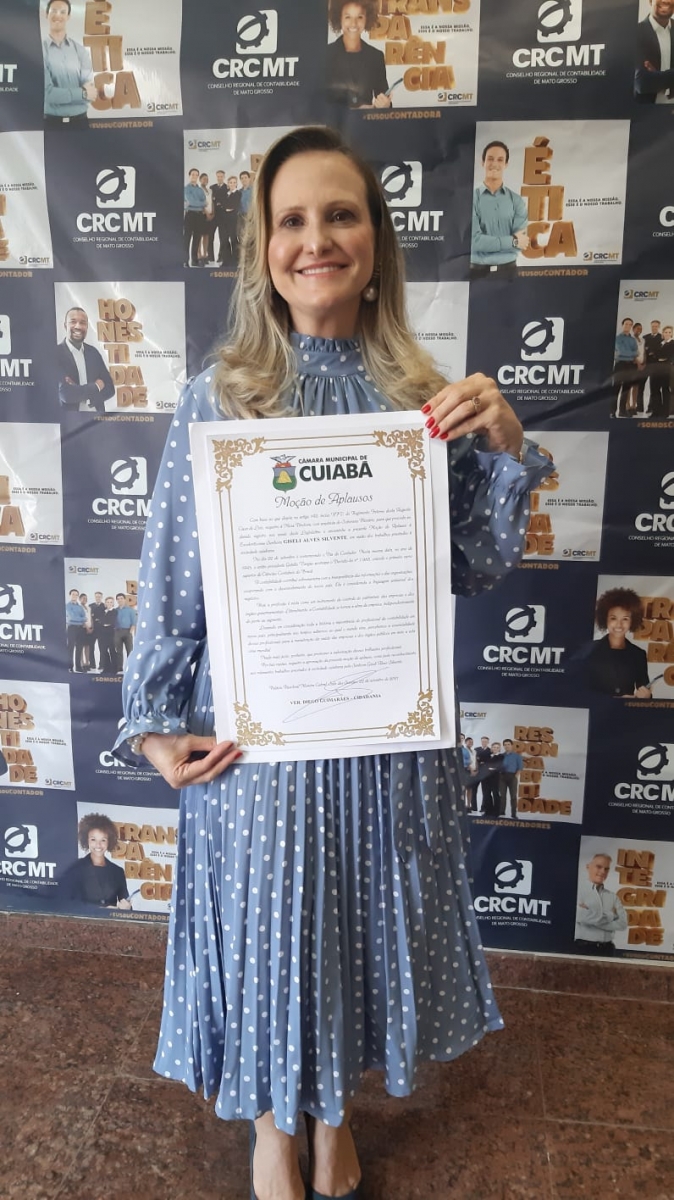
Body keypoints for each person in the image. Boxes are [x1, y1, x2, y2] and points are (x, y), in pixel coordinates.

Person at [113, 126, 554, 1200]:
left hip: (378, 732)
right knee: (272, 927)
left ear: (376, 240)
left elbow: (472, 564)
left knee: (356, 922)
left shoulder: (423, 400)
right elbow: (173, 577)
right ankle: (274, 1124)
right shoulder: (218, 396)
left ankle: (334, 1116)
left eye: (341, 215)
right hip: (257, 738)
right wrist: (155, 724)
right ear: (263, 248)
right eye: (293, 220)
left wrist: (503, 447)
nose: (317, 240)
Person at [470, 141, 529, 280]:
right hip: (476, 272)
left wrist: (515, 242)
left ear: (506, 164)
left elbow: (521, 242)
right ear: (483, 162)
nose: (494, 163)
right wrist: (512, 241)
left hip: (509, 271)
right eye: (490, 159)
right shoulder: (471, 199)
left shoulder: (516, 201)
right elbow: (474, 242)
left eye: (500, 160)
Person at [587, 587, 652, 698]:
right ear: (605, 619)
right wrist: (614, 699)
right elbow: (580, 691)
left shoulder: (638, 654)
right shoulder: (589, 651)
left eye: (625, 619)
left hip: (626, 710)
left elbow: (644, 691)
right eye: (613, 618)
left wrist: (646, 697)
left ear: (632, 621)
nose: (619, 624)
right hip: (597, 709)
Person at [326, 0, 391, 108]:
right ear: (339, 18)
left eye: (360, 17)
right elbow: (316, 103)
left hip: (366, 119)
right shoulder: (325, 54)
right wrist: (355, 109)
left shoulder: (376, 56)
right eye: (348, 17)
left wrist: (385, 105)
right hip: (335, 120)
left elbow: (383, 98)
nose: (354, 23)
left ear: (367, 18)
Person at [42, 0, 97, 126]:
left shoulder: (80, 50)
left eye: (63, 12)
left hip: (81, 121)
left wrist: (83, 93)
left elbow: (91, 91)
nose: (58, 15)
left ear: (68, 17)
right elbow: (48, 94)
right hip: (51, 123)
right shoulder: (39, 51)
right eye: (54, 11)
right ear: (46, 14)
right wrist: (82, 93)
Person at [60, 813, 131, 908]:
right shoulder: (76, 868)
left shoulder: (118, 871)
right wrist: (101, 910)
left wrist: (127, 908)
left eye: (103, 840)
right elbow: (68, 904)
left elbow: (126, 903)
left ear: (109, 841)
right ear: (86, 840)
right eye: (93, 839)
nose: (98, 845)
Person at [56, 307, 115, 413]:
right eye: (73, 322)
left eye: (83, 323)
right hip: (70, 420)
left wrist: (85, 396)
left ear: (87, 327)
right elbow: (66, 394)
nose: (78, 326)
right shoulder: (55, 354)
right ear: (65, 325)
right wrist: (96, 386)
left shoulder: (93, 353)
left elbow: (110, 388)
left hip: (96, 418)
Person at [575, 854, 627, 955]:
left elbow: (622, 924)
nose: (603, 872)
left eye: (606, 869)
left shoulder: (613, 896)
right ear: (588, 866)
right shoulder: (577, 891)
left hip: (608, 949)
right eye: (598, 867)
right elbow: (580, 916)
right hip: (584, 948)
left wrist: (592, 917)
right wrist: (611, 916)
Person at [635, 0, 674, 104]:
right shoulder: (635, 32)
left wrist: (658, 77)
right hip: (646, 109)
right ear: (650, 1)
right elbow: (642, 83)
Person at [611, 317, 639, 418]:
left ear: (631, 326)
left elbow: (637, 352)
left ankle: (622, 411)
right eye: (626, 324)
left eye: (630, 324)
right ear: (622, 325)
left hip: (630, 365)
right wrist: (631, 353)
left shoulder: (633, 340)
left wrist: (629, 354)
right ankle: (612, 411)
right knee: (616, 389)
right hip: (620, 365)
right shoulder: (618, 338)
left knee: (626, 389)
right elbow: (621, 352)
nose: (628, 326)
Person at [184, 168, 207, 267]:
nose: (194, 176)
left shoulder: (200, 190)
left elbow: (205, 201)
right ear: (189, 176)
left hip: (200, 216)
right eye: (192, 174)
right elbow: (191, 201)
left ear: (198, 176)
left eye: (196, 175)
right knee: (187, 238)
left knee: (197, 238)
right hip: (190, 215)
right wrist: (200, 203)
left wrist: (197, 203)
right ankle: (185, 260)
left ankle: (194, 260)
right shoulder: (186, 189)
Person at [644, 318, 666, 417]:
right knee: (645, 387)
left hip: (657, 366)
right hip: (645, 365)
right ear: (650, 326)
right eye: (653, 326)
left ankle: (653, 407)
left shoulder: (662, 338)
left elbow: (661, 351)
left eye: (656, 326)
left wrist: (652, 352)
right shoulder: (645, 337)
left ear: (659, 327)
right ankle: (644, 407)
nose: (654, 328)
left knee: (655, 387)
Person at [499, 738, 523, 819]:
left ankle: (513, 814)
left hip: (512, 776)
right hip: (502, 777)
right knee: (502, 796)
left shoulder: (517, 756)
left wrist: (516, 776)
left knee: (513, 796)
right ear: (503, 746)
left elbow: (520, 767)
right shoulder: (501, 756)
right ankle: (502, 812)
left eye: (508, 744)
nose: (507, 746)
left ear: (512, 745)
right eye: (505, 745)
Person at [65, 587, 87, 672]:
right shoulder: (67, 606)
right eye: (73, 594)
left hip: (80, 629)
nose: (74, 596)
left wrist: (80, 619)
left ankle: (78, 667)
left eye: (76, 594)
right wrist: (81, 619)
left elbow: (85, 617)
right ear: (70, 595)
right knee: (70, 647)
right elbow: (71, 618)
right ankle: (70, 666)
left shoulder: (80, 607)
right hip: (72, 628)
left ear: (78, 596)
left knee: (79, 647)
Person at [114, 593, 136, 674]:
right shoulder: (115, 611)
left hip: (127, 631)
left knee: (129, 650)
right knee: (118, 651)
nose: (120, 600)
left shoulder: (130, 610)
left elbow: (134, 622)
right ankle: (119, 667)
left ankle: (130, 667)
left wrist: (130, 632)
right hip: (117, 632)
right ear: (117, 600)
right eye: (118, 599)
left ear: (125, 599)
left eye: (121, 598)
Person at [99, 596, 118, 674]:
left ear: (113, 603)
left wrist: (104, 622)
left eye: (111, 602)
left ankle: (114, 669)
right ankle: (106, 668)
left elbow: (111, 621)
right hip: (102, 633)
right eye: (108, 602)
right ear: (105, 603)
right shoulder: (103, 611)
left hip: (111, 633)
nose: (109, 603)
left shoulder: (114, 611)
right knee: (104, 651)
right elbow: (101, 621)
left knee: (112, 650)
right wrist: (104, 622)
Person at [474, 734, 493, 814]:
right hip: (477, 772)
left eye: (485, 741)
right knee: (474, 790)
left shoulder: (490, 751)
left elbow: (491, 762)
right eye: (483, 741)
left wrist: (483, 763)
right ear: (481, 742)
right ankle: (473, 807)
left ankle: (484, 807)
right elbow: (474, 760)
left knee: (485, 791)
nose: (484, 742)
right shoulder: (476, 749)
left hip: (485, 773)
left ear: (488, 742)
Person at [631, 322, 646, 415]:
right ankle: (628, 406)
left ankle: (634, 405)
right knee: (630, 386)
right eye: (637, 328)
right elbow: (632, 352)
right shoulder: (631, 339)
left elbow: (644, 352)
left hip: (641, 365)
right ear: (633, 329)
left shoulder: (643, 340)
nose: (639, 330)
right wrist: (638, 364)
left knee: (636, 387)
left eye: (640, 328)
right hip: (633, 365)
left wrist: (644, 363)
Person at [89, 591, 105, 672]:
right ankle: (92, 664)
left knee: (102, 647)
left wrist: (99, 620)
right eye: (96, 596)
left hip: (101, 630)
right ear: (94, 597)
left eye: (99, 596)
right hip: (92, 629)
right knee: (91, 647)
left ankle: (101, 665)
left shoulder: (105, 606)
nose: (97, 598)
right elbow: (88, 617)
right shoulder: (90, 606)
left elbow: (106, 617)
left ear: (101, 597)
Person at [661, 324, 674, 416]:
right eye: (666, 332)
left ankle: (671, 409)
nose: (668, 334)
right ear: (663, 333)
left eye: (669, 332)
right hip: (662, 369)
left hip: (671, 367)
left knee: (672, 388)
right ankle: (666, 409)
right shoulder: (661, 343)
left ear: (672, 334)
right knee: (665, 388)